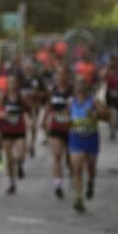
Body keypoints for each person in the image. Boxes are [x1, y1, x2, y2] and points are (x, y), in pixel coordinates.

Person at [67, 75, 110, 213]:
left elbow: (107, 117)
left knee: (91, 167)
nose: (79, 87)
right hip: (76, 139)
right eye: (77, 84)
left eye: (82, 84)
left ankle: (91, 182)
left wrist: (96, 115)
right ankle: (78, 198)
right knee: (77, 169)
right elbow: (66, 119)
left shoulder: (94, 101)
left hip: (91, 139)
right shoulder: (70, 102)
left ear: (87, 87)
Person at [44, 66, 74, 199]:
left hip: (71, 128)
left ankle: (73, 173)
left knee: (69, 159)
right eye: (57, 75)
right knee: (57, 156)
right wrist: (44, 119)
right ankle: (58, 185)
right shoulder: (54, 90)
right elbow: (49, 106)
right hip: (56, 127)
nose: (59, 78)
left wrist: (67, 111)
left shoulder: (72, 90)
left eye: (62, 75)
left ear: (67, 76)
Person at [0, 74, 28, 195]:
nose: (12, 85)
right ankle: (11, 183)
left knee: (19, 155)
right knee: (9, 159)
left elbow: (29, 110)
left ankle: (20, 165)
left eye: (14, 82)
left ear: (17, 84)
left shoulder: (21, 97)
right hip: (7, 131)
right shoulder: (3, 97)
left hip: (20, 130)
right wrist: (2, 114)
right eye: (9, 82)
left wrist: (30, 121)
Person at [103, 54, 118, 140]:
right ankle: (112, 129)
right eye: (112, 61)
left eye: (115, 61)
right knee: (112, 112)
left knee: (117, 112)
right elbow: (103, 79)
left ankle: (116, 122)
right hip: (110, 95)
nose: (113, 63)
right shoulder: (108, 71)